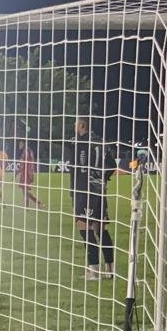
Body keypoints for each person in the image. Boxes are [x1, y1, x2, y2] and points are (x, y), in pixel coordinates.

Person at [66, 118, 115, 280]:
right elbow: (112, 164)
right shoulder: (101, 142)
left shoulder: (79, 142)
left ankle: (94, 272)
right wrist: (102, 179)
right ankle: (110, 269)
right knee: (101, 229)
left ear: (81, 125)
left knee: (84, 227)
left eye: (75, 124)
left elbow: (59, 142)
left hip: (83, 190)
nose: (74, 127)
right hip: (99, 190)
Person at [16, 140, 43, 208]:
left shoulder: (26, 152)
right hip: (27, 173)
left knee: (25, 190)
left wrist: (18, 171)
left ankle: (37, 202)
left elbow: (23, 163)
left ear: (24, 144)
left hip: (26, 174)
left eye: (21, 143)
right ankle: (28, 205)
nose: (19, 145)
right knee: (24, 190)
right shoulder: (28, 150)